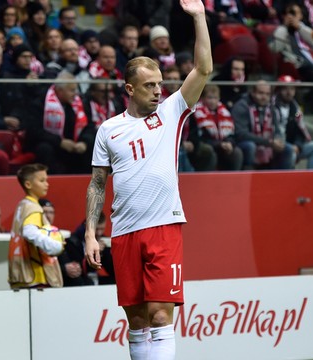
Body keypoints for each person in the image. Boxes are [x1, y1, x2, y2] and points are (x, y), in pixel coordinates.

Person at [84, 0, 212, 358]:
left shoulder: (172, 112)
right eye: (149, 85)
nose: (158, 90)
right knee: (137, 321)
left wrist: (199, 17)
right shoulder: (109, 130)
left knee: (160, 315)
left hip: (163, 227)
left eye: (159, 84)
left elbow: (203, 69)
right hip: (123, 232)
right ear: (129, 89)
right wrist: (91, 234)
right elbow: (97, 184)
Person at [8, 163, 65, 289]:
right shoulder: (33, 208)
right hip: (36, 275)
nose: (47, 184)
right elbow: (29, 232)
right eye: (42, 180)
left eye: (46, 180)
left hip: (21, 274)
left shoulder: (22, 205)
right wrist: (55, 246)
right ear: (28, 184)